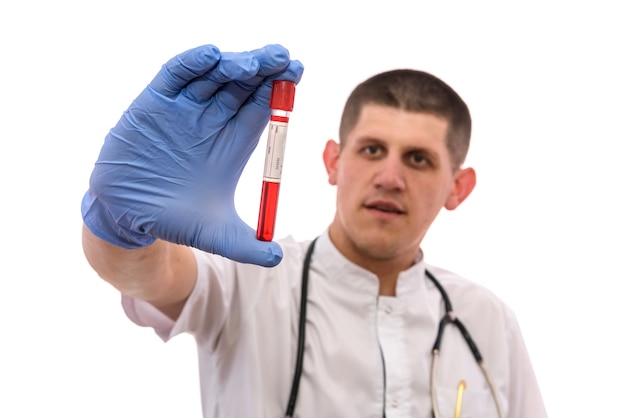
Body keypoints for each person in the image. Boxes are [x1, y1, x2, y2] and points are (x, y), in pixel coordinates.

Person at [81, 43, 547, 418]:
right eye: (371, 150)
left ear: (458, 188)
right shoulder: (249, 280)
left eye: (418, 159)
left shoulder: (488, 321)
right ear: (333, 162)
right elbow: (146, 276)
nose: (389, 177)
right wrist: (122, 227)